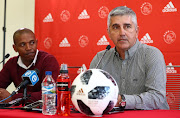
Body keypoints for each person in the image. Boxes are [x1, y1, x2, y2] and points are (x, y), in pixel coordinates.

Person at [90, 6, 169, 110]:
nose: (122, 33)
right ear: (109, 32)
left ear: (137, 31)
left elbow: (156, 98)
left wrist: (122, 101)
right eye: (116, 27)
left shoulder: (152, 54)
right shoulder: (100, 58)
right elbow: (90, 93)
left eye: (127, 26)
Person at [0, 28, 60, 103]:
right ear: (15, 48)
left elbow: (49, 93)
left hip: (44, 110)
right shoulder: (11, 63)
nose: (28, 48)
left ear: (37, 43)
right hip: (20, 110)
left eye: (32, 43)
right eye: (22, 44)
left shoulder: (48, 60)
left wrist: (13, 97)